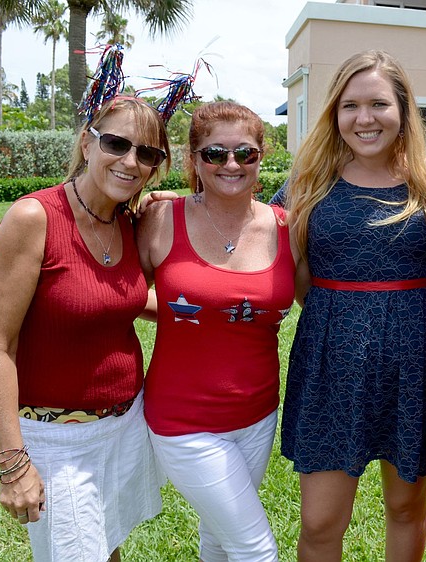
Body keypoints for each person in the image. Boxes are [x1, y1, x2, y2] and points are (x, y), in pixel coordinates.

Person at [0, 95, 170, 562]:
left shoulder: (129, 222)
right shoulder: (35, 218)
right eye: (117, 144)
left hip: (124, 426)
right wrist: (13, 464)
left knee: (108, 545)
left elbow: (111, 299)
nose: (131, 162)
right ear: (87, 143)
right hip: (57, 438)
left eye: (146, 154)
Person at [272, 50, 426, 561]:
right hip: (332, 366)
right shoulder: (308, 184)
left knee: (406, 508)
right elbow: (293, 271)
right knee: (321, 521)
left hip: (414, 368)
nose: (364, 118)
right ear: (335, 113)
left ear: (402, 110)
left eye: (378, 104)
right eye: (351, 106)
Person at [137, 101, 298, 562]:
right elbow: (110, 293)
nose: (231, 164)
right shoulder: (159, 220)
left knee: (219, 537)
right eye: (215, 154)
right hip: (183, 422)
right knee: (255, 548)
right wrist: (20, 332)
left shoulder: (287, 228)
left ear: (262, 156)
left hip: (258, 414)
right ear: (193, 160)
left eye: (245, 153)